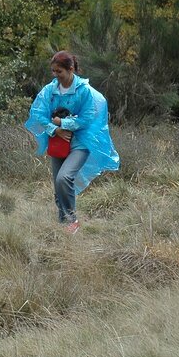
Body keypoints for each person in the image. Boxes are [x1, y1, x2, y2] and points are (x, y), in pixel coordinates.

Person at [25, 50, 120, 232]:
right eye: (53, 71)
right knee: (58, 188)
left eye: (59, 71)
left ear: (70, 69)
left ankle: (72, 221)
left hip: (80, 142)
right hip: (58, 142)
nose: (55, 75)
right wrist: (56, 130)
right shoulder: (49, 91)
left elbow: (87, 117)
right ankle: (64, 229)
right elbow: (39, 113)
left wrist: (64, 122)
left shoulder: (84, 91)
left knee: (64, 178)